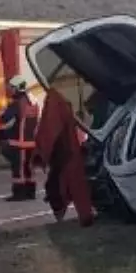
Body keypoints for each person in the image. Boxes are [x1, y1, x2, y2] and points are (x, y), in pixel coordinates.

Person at [34, 89, 95, 227]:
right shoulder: (59, 102)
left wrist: (42, 153)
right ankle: (84, 216)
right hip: (68, 151)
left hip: (65, 153)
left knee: (66, 185)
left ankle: (78, 216)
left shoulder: (55, 102)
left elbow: (50, 131)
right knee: (75, 185)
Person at [0, 76, 39, 201]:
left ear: (16, 88)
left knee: (18, 170)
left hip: (18, 142)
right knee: (29, 168)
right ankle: (31, 193)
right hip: (31, 141)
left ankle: (19, 194)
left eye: (11, 88)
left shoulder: (17, 103)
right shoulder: (32, 101)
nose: (10, 90)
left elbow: (5, 118)